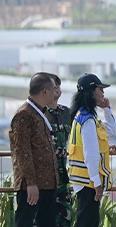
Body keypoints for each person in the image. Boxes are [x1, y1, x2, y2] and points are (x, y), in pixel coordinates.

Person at [12, 72, 63, 227]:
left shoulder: (39, 112)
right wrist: (31, 184)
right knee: (25, 222)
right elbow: (22, 151)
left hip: (47, 184)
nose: (56, 93)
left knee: (47, 222)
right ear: (45, 92)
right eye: (54, 89)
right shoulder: (24, 114)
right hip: (33, 186)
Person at [65, 74, 112, 227]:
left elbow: (109, 130)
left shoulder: (84, 116)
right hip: (88, 180)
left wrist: (107, 109)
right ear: (91, 91)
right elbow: (90, 155)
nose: (103, 93)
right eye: (100, 89)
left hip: (83, 179)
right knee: (87, 221)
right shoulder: (88, 120)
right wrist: (97, 182)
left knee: (87, 219)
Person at [43, 75, 72, 227]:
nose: (57, 89)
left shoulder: (67, 113)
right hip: (45, 178)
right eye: (54, 86)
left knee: (65, 220)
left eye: (59, 86)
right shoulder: (39, 113)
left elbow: (80, 138)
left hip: (63, 178)